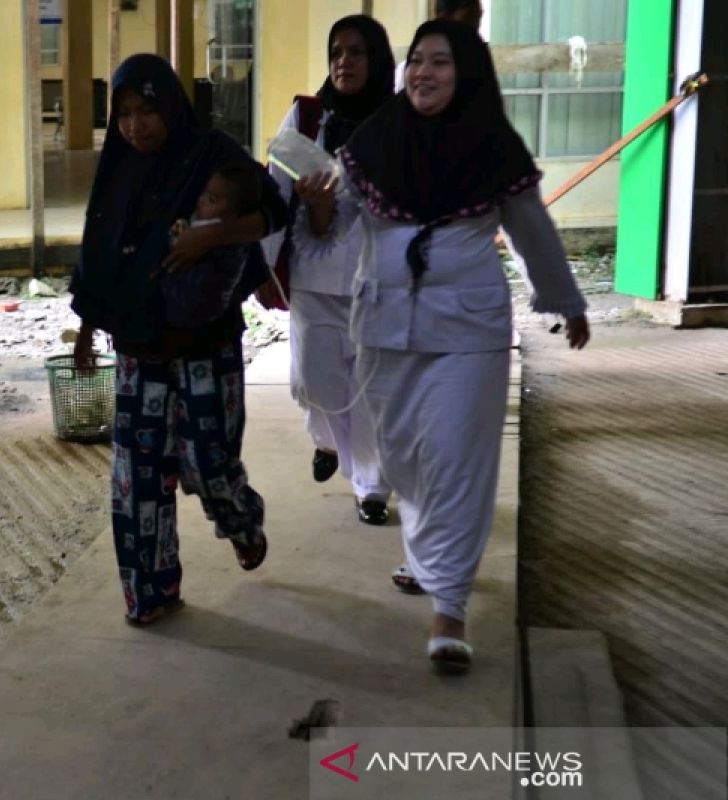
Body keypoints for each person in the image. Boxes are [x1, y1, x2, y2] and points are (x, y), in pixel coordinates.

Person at [296, 21, 590, 672]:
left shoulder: (493, 148)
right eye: (418, 61)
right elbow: (334, 230)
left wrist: (565, 300)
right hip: (385, 328)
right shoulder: (373, 141)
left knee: (458, 457)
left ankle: (448, 608)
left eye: (441, 62)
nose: (424, 73)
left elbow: (533, 229)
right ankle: (428, 555)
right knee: (403, 458)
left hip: (468, 328)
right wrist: (317, 211)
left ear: (469, 75)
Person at [70, 54, 288, 626]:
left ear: (171, 105)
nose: (136, 126)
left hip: (205, 346)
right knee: (137, 480)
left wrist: (207, 235)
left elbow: (273, 211)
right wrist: (89, 326)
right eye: (124, 114)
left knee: (207, 466)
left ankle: (241, 520)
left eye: (147, 110)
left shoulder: (211, 154)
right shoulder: (117, 168)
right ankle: (151, 593)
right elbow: (100, 251)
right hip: (139, 347)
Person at [265, 15, 396, 526]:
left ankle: (371, 487)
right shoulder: (306, 116)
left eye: (357, 52)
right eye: (337, 52)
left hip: (376, 281)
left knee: (368, 390)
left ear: (377, 59)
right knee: (315, 382)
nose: (344, 61)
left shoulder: (400, 122)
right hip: (314, 275)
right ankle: (325, 441)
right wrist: (261, 268)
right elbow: (274, 190)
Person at [159, 162, 265, 329]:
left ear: (233, 215)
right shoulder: (207, 222)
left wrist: (174, 237)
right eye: (204, 194)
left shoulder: (222, 241)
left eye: (211, 199)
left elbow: (180, 252)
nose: (200, 201)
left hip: (192, 306)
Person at [394, 0, 483, 92]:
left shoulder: (476, 67)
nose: (422, 73)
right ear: (444, 17)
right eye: (416, 60)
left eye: (479, 17)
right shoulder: (405, 74)